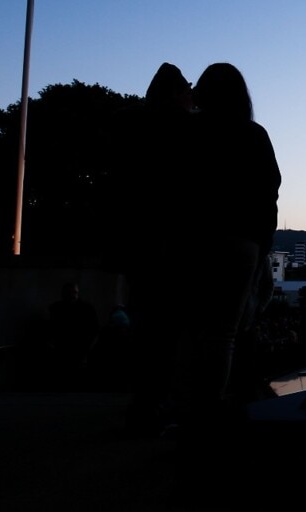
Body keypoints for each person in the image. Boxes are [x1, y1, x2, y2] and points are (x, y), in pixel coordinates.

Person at [177, 62, 281, 432]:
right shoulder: (253, 134)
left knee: (192, 327)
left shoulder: (187, 133)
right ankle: (211, 407)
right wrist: (263, 244)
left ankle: (189, 407)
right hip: (242, 241)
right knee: (225, 331)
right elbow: (269, 192)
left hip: (193, 239)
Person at [109, 62, 194, 435]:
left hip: (134, 236)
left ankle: (144, 402)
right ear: (177, 92)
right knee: (170, 327)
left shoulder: (124, 122)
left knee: (146, 321)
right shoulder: (185, 126)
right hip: (173, 238)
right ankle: (158, 402)